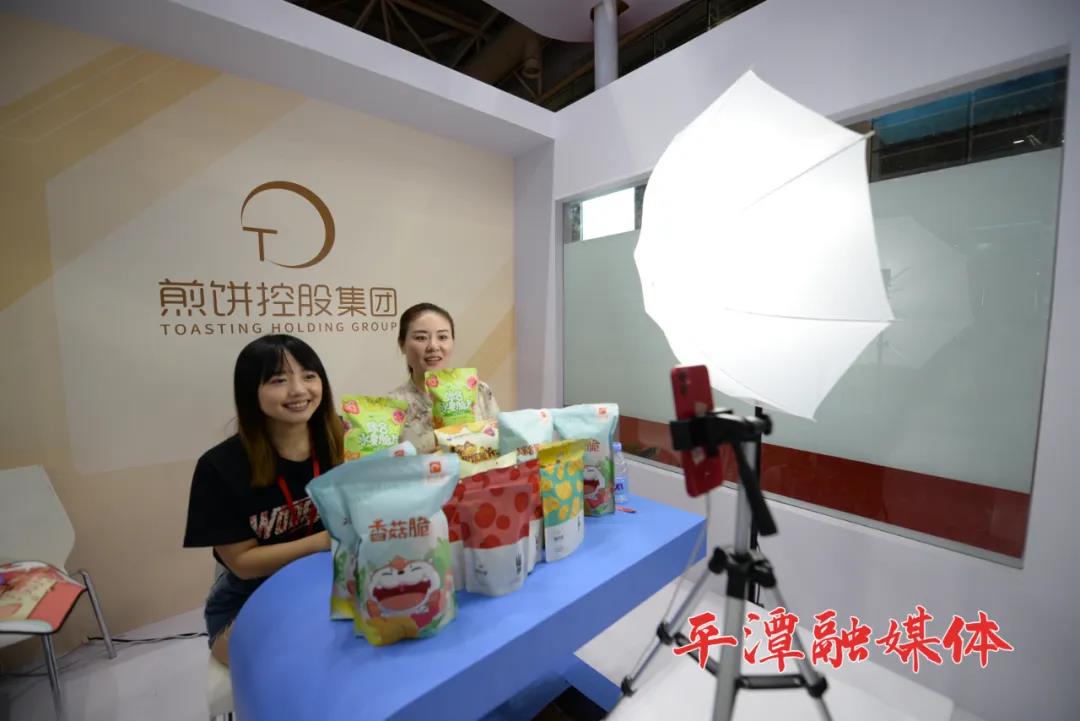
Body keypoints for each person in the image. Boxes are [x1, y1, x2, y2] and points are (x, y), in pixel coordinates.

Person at [183, 334, 344, 666]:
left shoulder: (343, 440)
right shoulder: (220, 467)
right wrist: (324, 541)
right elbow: (242, 564)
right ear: (249, 391)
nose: (298, 390)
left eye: (309, 376)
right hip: (250, 597)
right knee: (290, 671)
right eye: (278, 380)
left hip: (330, 580)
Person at [387, 302, 499, 453]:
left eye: (442, 337)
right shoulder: (391, 407)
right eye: (421, 338)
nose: (433, 346)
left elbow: (502, 447)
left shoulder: (479, 391)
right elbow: (386, 464)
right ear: (402, 345)